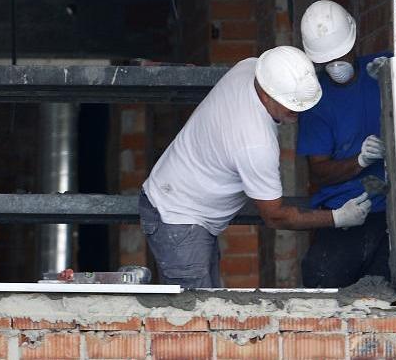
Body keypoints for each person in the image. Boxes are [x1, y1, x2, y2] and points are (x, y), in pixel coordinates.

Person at [139, 46, 373, 288]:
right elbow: (275, 215)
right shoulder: (255, 143)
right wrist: (338, 217)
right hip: (177, 216)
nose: (298, 112)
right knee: (194, 314)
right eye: (291, 105)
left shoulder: (250, 67)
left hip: (182, 204)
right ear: (266, 95)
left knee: (206, 302)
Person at [297, 0, 392, 288]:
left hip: (390, 209)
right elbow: (319, 171)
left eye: (342, 55)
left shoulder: (382, 71)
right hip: (348, 211)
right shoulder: (317, 101)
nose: (337, 65)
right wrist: (360, 161)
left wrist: (393, 79)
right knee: (321, 281)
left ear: (354, 41)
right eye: (328, 60)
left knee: (388, 297)